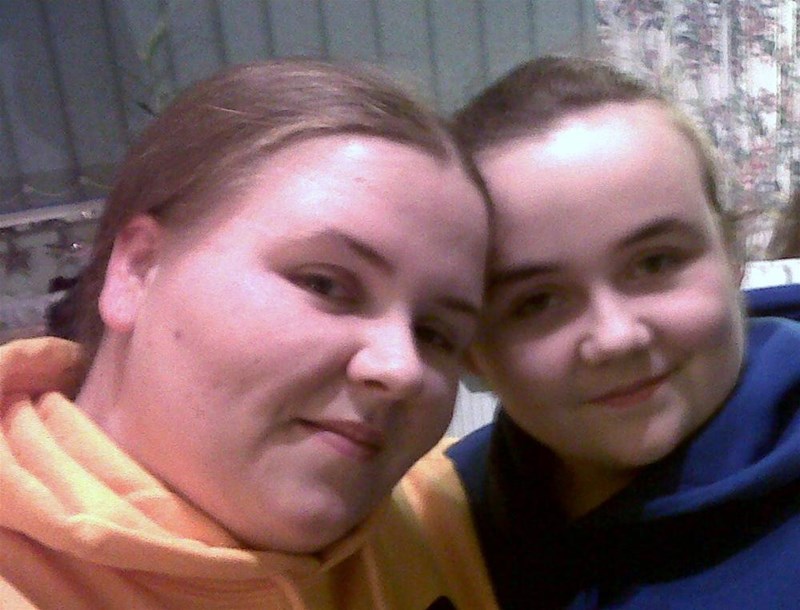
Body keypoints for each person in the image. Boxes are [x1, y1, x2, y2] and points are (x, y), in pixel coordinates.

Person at [0, 59, 498, 609]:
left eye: (436, 334)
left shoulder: (453, 510)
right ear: (138, 270)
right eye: (325, 283)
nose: (401, 369)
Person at [427, 56, 800, 608]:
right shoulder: (432, 526)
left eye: (655, 262)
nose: (616, 337)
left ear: (732, 255)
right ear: (468, 347)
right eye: (536, 301)